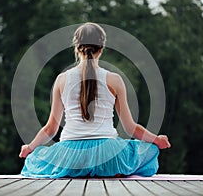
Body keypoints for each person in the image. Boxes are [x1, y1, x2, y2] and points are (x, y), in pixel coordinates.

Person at [19, 22, 171, 178]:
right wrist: (157, 140)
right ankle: (111, 169)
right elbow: (130, 128)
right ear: (101, 49)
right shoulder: (115, 80)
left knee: (33, 159)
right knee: (150, 150)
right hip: (109, 155)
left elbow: (50, 129)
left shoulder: (61, 80)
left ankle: (83, 170)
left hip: (70, 157)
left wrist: (29, 147)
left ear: (77, 48)